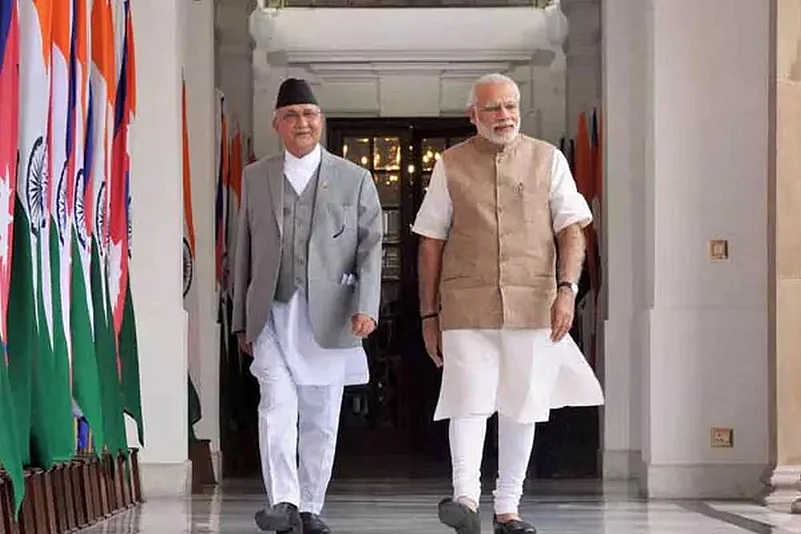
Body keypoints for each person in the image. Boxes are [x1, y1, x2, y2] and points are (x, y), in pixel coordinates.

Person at [412, 73, 605, 534]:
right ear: (473, 115)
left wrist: (567, 289)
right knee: (467, 401)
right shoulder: (450, 164)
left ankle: (507, 508)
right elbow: (430, 241)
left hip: (534, 303)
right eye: (493, 108)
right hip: (466, 305)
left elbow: (572, 229)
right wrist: (428, 315)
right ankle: (465, 499)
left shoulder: (548, 159)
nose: (504, 116)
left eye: (510, 106)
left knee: (523, 406)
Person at [232, 78, 383, 534]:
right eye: (292, 115)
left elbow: (370, 247)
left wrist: (367, 305)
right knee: (275, 406)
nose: (303, 122)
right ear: (277, 124)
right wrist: (240, 321)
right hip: (270, 313)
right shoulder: (256, 176)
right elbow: (243, 250)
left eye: (310, 114)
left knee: (321, 414)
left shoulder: (354, 178)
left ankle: (311, 505)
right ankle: (283, 500)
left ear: (322, 121)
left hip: (330, 316)